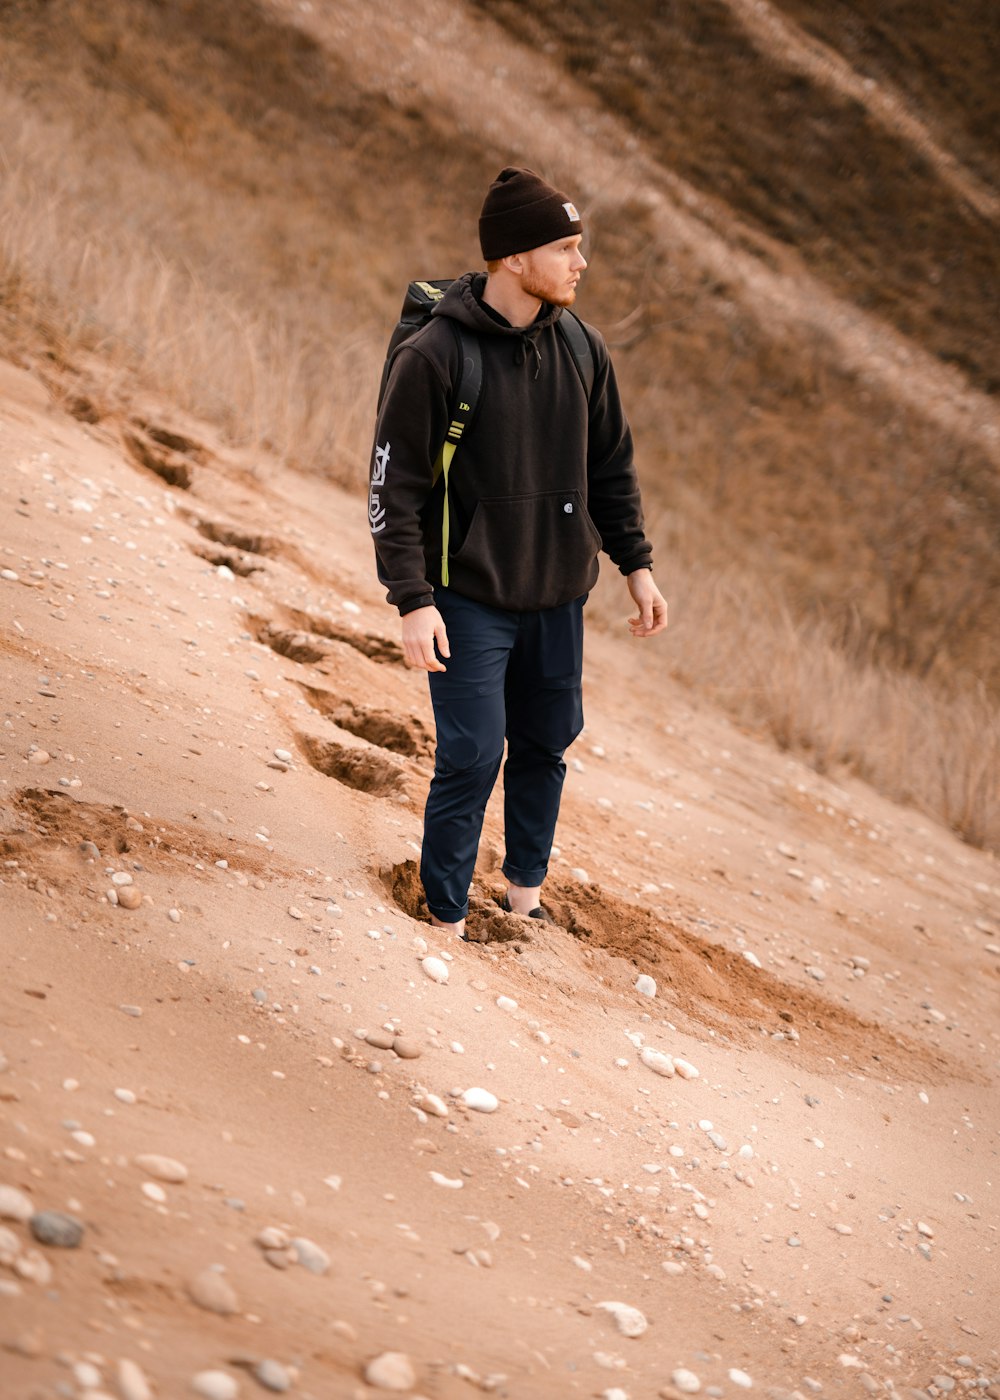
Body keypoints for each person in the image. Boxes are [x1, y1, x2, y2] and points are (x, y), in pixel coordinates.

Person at [369, 166, 668, 939]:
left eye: (579, 246)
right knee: (471, 755)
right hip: (465, 597)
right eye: (565, 247)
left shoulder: (583, 348)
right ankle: (442, 916)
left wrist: (636, 566)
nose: (580, 263)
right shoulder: (435, 356)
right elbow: (392, 489)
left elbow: (611, 467)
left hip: (559, 596)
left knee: (544, 744)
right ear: (511, 257)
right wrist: (413, 600)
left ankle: (524, 898)